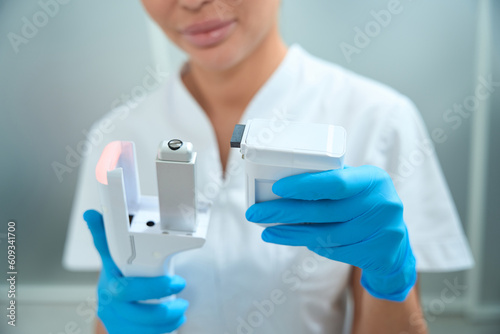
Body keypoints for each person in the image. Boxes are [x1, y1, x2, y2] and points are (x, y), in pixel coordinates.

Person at [69, 0, 474, 333]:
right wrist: (115, 318)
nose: (191, 3)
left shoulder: (378, 119)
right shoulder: (116, 137)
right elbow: (115, 312)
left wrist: (390, 283)